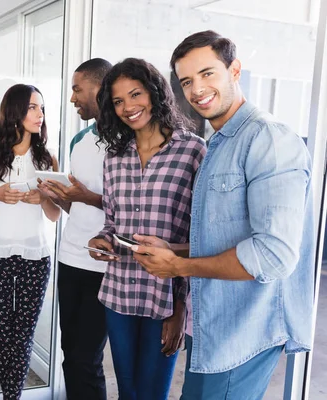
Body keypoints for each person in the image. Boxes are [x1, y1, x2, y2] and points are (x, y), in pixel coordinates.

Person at [131, 30, 315, 400]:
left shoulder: (268, 139)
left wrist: (177, 268)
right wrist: (176, 250)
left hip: (242, 333)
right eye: (187, 81)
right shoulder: (219, 142)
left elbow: (274, 255)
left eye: (207, 73)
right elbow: (224, 236)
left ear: (235, 70)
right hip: (213, 327)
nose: (197, 89)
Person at [87, 58, 206, 400]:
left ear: (154, 94)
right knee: (127, 392)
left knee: (152, 394)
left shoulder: (192, 151)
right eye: (119, 101)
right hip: (118, 292)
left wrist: (179, 309)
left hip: (165, 297)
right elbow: (112, 223)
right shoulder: (114, 157)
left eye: (135, 94)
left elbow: (197, 235)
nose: (128, 107)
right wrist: (101, 240)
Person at [0, 83, 61, 400]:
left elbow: (54, 216)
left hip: (36, 257)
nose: (40, 114)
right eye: (33, 107)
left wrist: (43, 197)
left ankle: (12, 397)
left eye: (42, 108)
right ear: (15, 111)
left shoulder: (48, 159)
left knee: (23, 335)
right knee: (4, 333)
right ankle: (12, 396)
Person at [38, 58, 112, 400]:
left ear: (100, 88)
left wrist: (87, 196)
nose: (72, 98)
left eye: (77, 89)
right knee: (71, 357)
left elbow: (133, 208)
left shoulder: (127, 141)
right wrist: (60, 196)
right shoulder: (79, 140)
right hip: (70, 259)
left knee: (87, 359)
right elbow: (75, 207)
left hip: (105, 265)